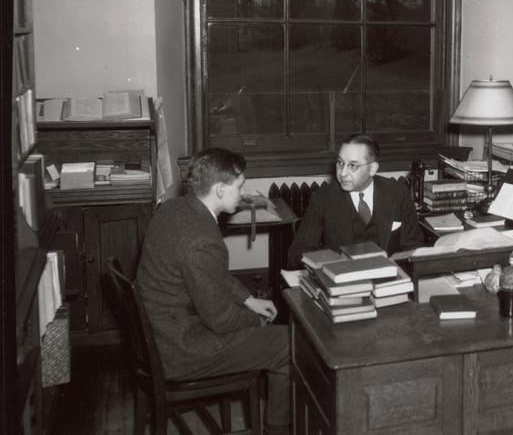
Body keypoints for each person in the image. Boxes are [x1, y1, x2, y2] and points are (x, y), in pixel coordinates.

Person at [137, 148, 290, 435]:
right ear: (219, 189)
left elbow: (211, 274)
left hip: (162, 333)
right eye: (239, 186)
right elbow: (220, 321)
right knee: (288, 344)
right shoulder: (202, 241)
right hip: (180, 350)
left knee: (266, 329)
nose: (243, 193)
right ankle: (277, 429)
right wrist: (255, 321)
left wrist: (247, 299)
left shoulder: (173, 208)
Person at [287, 133, 423, 265]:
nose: (343, 173)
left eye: (353, 166)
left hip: (389, 280)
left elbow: (413, 247)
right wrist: (330, 263)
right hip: (342, 280)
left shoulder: (397, 193)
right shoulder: (322, 198)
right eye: (340, 163)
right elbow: (298, 251)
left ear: (372, 169)